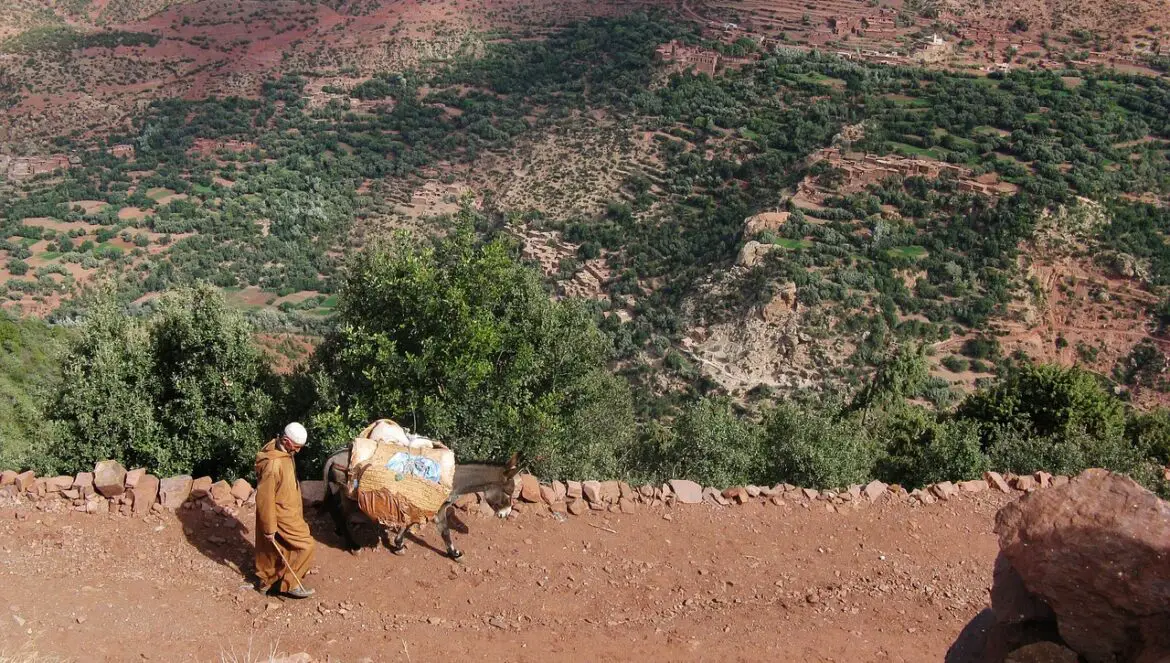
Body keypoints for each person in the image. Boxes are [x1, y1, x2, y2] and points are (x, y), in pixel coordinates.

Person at [254, 422, 316, 599]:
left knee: (280, 547)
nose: (297, 451)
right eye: (296, 447)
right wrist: (269, 527)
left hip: (289, 510)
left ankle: (268, 582)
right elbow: (265, 498)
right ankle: (290, 584)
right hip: (282, 514)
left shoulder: (282, 451)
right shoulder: (273, 465)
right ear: (287, 441)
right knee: (307, 545)